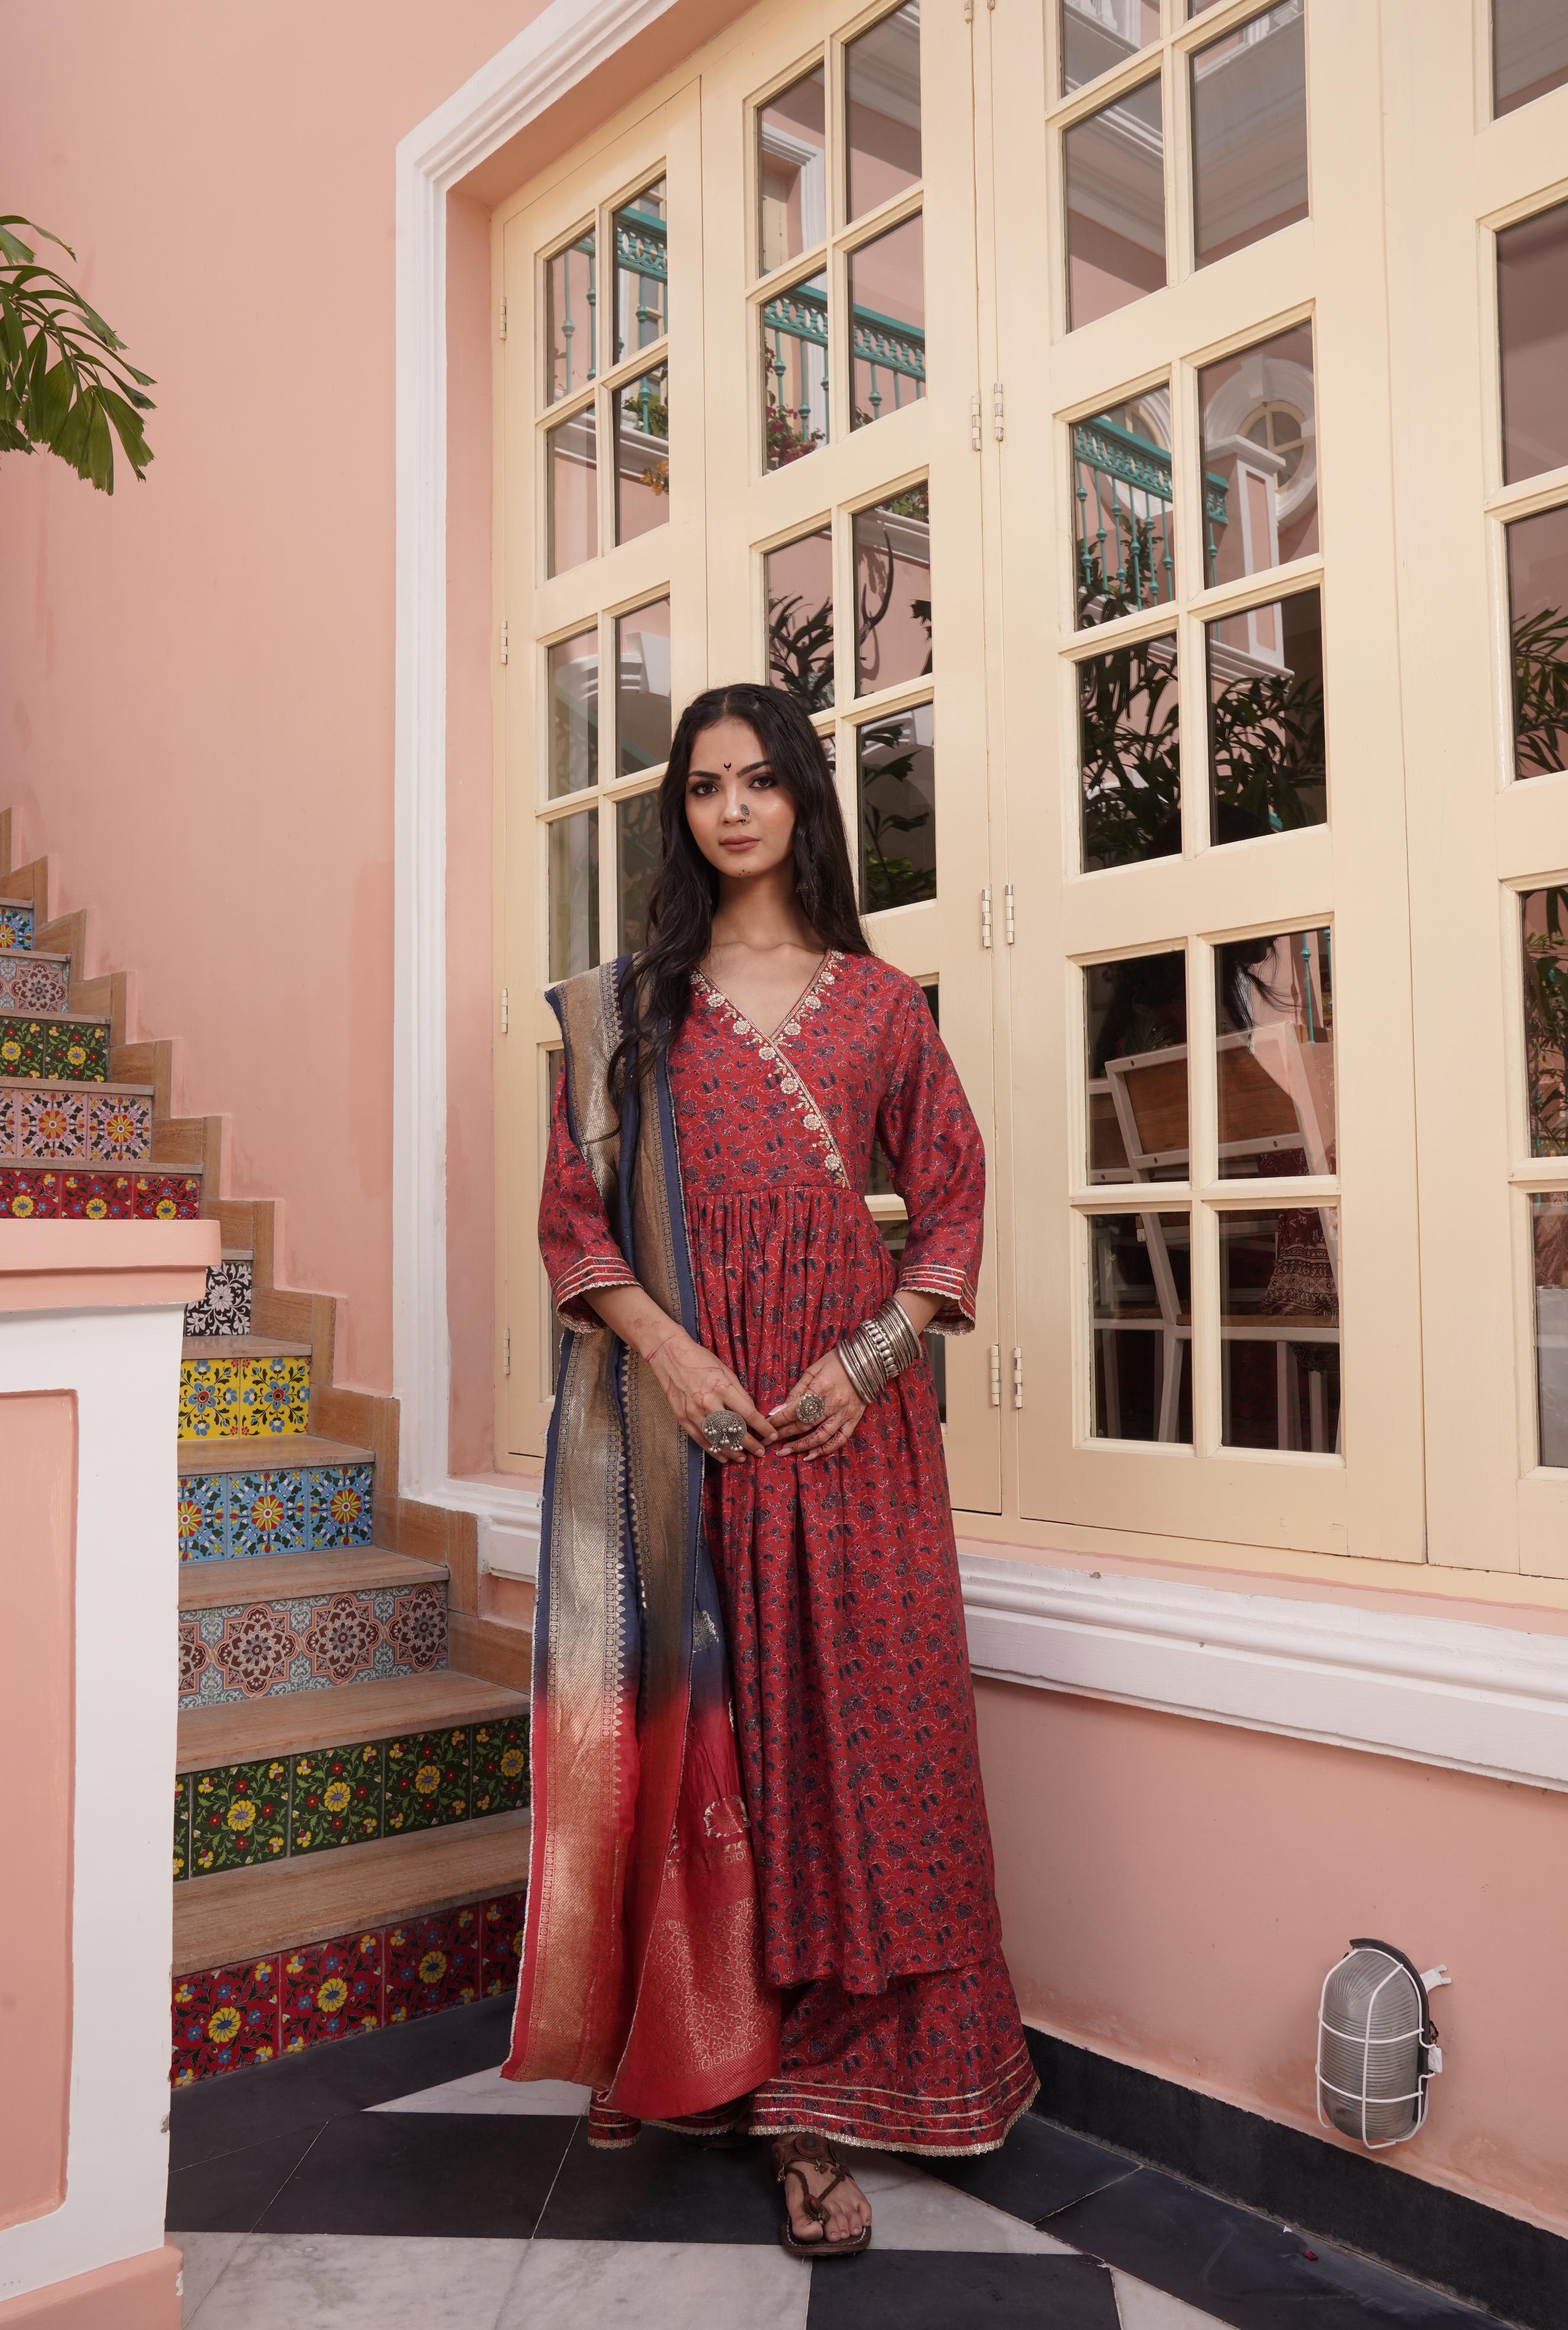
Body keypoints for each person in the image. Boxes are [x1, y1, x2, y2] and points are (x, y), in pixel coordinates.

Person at [506, 681, 1036, 2257]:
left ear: (803, 799)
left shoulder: (878, 1004)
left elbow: (948, 1198)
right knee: (718, 1758)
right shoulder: (632, 1010)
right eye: (703, 786)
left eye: (758, 781)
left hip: (850, 1444)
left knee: (868, 1753)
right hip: (688, 1447)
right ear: (680, 813)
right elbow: (571, 1222)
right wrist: (673, 1363)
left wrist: (865, 1363)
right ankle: (711, 2062)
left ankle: (831, 2100)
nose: (731, 808)